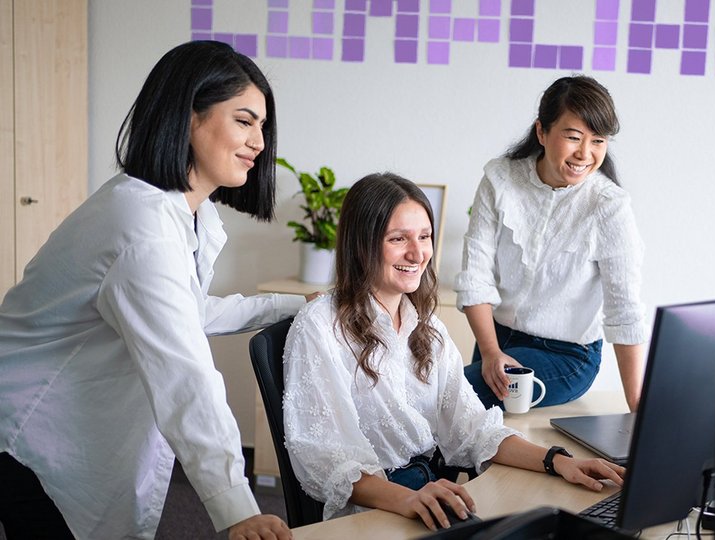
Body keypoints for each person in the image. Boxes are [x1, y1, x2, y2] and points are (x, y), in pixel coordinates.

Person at [0, 41, 313, 539]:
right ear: (189, 116)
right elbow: (185, 373)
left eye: (262, 126)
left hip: (66, 419)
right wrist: (237, 506)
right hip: (30, 427)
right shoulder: (140, 225)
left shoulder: (181, 213)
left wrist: (296, 305)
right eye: (244, 121)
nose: (259, 141)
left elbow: (186, 312)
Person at [282, 173, 625, 531]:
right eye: (398, 239)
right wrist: (409, 498)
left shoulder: (427, 326)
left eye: (424, 237)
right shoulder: (320, 325)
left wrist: (558, 461)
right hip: (376, 508)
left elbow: (471, 428)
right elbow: (323, 457)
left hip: (432, 491)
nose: (417, 254)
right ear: (361, 245)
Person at [455, 75, 646, 412]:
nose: (585, 154)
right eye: (573, 137)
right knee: (458, 415)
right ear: (541, 132)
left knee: (453, 399)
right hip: (496, 339)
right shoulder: (500, 180)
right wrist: (490, 351)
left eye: (598, 141)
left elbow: (625, 310)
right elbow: (475, 277)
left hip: (567, 356)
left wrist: (639, 411)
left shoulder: (610, 206)